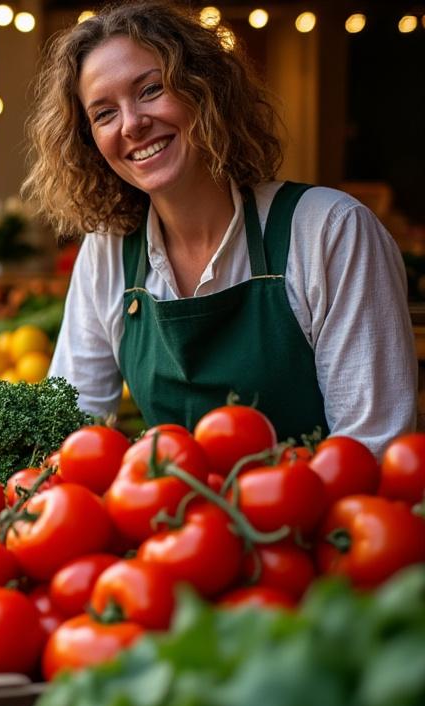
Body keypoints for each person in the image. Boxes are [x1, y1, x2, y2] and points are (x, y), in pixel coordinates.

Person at [25, 1, 415, 454]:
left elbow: (373, 448)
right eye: (104, 113)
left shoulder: (329, 231)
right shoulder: (109, 252)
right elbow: (68, 430)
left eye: (151, 89)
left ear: (204, 89)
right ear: (89, 141)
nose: (132, 124)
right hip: (168, 499)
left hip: (314, 500)